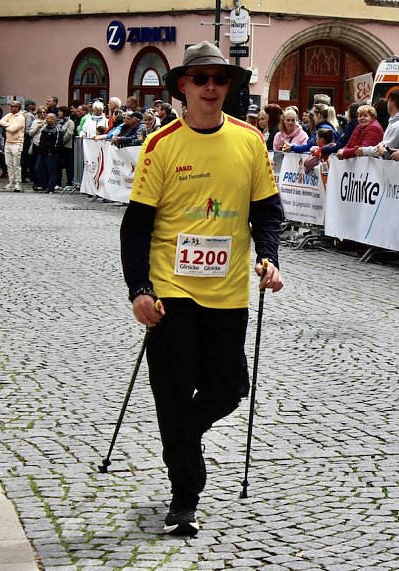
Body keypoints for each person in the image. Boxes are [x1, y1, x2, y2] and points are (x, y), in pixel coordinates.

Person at [119, 40, 284, 538]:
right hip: (172, 291)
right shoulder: (161, 145)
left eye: (220, 79)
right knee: (172, 392)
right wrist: (140, 288)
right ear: (183, 88)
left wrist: (269, 257)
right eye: (201, 79)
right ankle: (185, 495)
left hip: (229, 291)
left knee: (229, 389)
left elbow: (267, 211)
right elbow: (136, 225)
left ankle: (181, 437)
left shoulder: (250, 140)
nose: (212, 87)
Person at [0, 99, 26, 192]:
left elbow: (14, 129)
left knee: (16, 164)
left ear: (18, 107)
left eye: (13, 106)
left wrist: (7, 126)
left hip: (17, 143)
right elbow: (1, 121)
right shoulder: (9, 115)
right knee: (9, 164)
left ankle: (18, 183)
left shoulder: (21, 117)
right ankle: (11, 181)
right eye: (11, 106)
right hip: (8, 142)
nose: (11, 107)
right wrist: (9, 125)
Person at [35, 110, 63, 193]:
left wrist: (52, 151)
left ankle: (51, 188)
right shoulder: (44, 129)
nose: (46, 120)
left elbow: (58, 143)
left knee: (51, 170)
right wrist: (41, 149)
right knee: (38, 168)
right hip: (43, 153)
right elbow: (41, 140)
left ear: (54, 119)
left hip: (52, 153)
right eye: (46, 118)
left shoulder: (57, 130)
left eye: (48, 118)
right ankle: (44, 185)